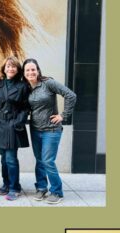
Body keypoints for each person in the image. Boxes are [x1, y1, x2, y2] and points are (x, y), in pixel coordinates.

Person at [22, 58, 76, 204]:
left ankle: (57, 191)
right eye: (27, 70)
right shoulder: (26, 88)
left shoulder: (48, 83)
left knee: (47, 161)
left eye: (33, 69)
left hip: (51, 130)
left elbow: (71, 95)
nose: (31, 72)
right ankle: (41, 188)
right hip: (35, 129)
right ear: (24, 73)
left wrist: (63, 116)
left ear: (38, 70)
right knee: (40, 161)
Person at [0, 56, 29, 201]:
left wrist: (17, 122)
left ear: (18, 69)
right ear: (4, 68)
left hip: (13, 124)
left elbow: (26, 108)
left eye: (13, 66)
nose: (10, 68)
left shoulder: (22, 86)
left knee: (11, 158)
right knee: (3, 158)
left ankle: (15, 187)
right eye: (8, 66)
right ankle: (6, 184)